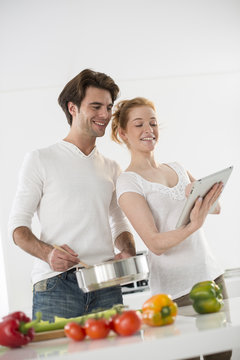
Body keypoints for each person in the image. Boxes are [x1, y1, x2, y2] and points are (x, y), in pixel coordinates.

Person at [8, 69, 135, 322]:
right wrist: (48, 254)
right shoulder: (40, 159)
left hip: (106, 281)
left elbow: (119, 223)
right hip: (56, 286)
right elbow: (17, 229)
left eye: (108, 108)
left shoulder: (112, 167)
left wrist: (128, 249)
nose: (105, 115)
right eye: (96, 106)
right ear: (72, 108)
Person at [111, 97, 231, 360]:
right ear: (123, 133)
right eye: (139, 124)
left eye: (153, 123)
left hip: (211, 276)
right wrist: (193, 226)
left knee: (222, 354)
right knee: (186, 355)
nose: (148, 130)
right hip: (176, 290)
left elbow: (217, 207)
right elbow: (154, 243)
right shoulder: (128, 183)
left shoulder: (176, 167)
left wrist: (197, 193)